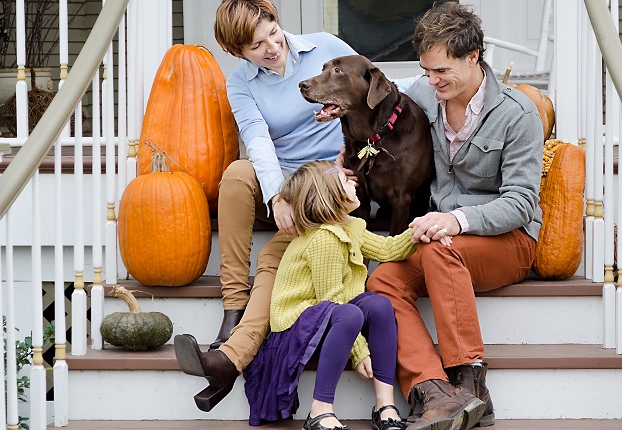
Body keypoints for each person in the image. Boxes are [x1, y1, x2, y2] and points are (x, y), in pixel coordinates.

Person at [362, 3, 544, 430]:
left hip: (507, 241)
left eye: (441, 70)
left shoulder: (519, 114)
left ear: (472, 56)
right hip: (438, 241)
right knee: (382, 280)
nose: (431, 80)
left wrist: (456, 219)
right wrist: (349, 156)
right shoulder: (424, 96)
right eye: (425, 70)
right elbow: (374, 110)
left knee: (443, 251)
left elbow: (520, 203)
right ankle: (433, 390)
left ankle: (470, 382)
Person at [173, 0, 356, 412]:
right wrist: (277, 195)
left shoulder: (325, 47)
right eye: (256, 46)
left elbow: (370, 87)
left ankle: (229, 358)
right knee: (237, 174)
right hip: (282, 174)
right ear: (237, 52)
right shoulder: (241, 83)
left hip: (332, 175)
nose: (272, 47)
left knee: (276, 254)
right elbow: (257, 142)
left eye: (272, 32)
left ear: (277, 21)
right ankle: (233, 306)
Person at [239, 160, 415, 430]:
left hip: (329, 316)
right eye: (346, 181)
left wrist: (423, 230)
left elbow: (389, 250)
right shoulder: (325, 239)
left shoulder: (350, 227)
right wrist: (359, 353)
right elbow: (332, 301)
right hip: (295, 326)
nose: (353, 182)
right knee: (350, 311)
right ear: (331, 196)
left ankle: (384, 403)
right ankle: (320, 409)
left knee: (379, 305)